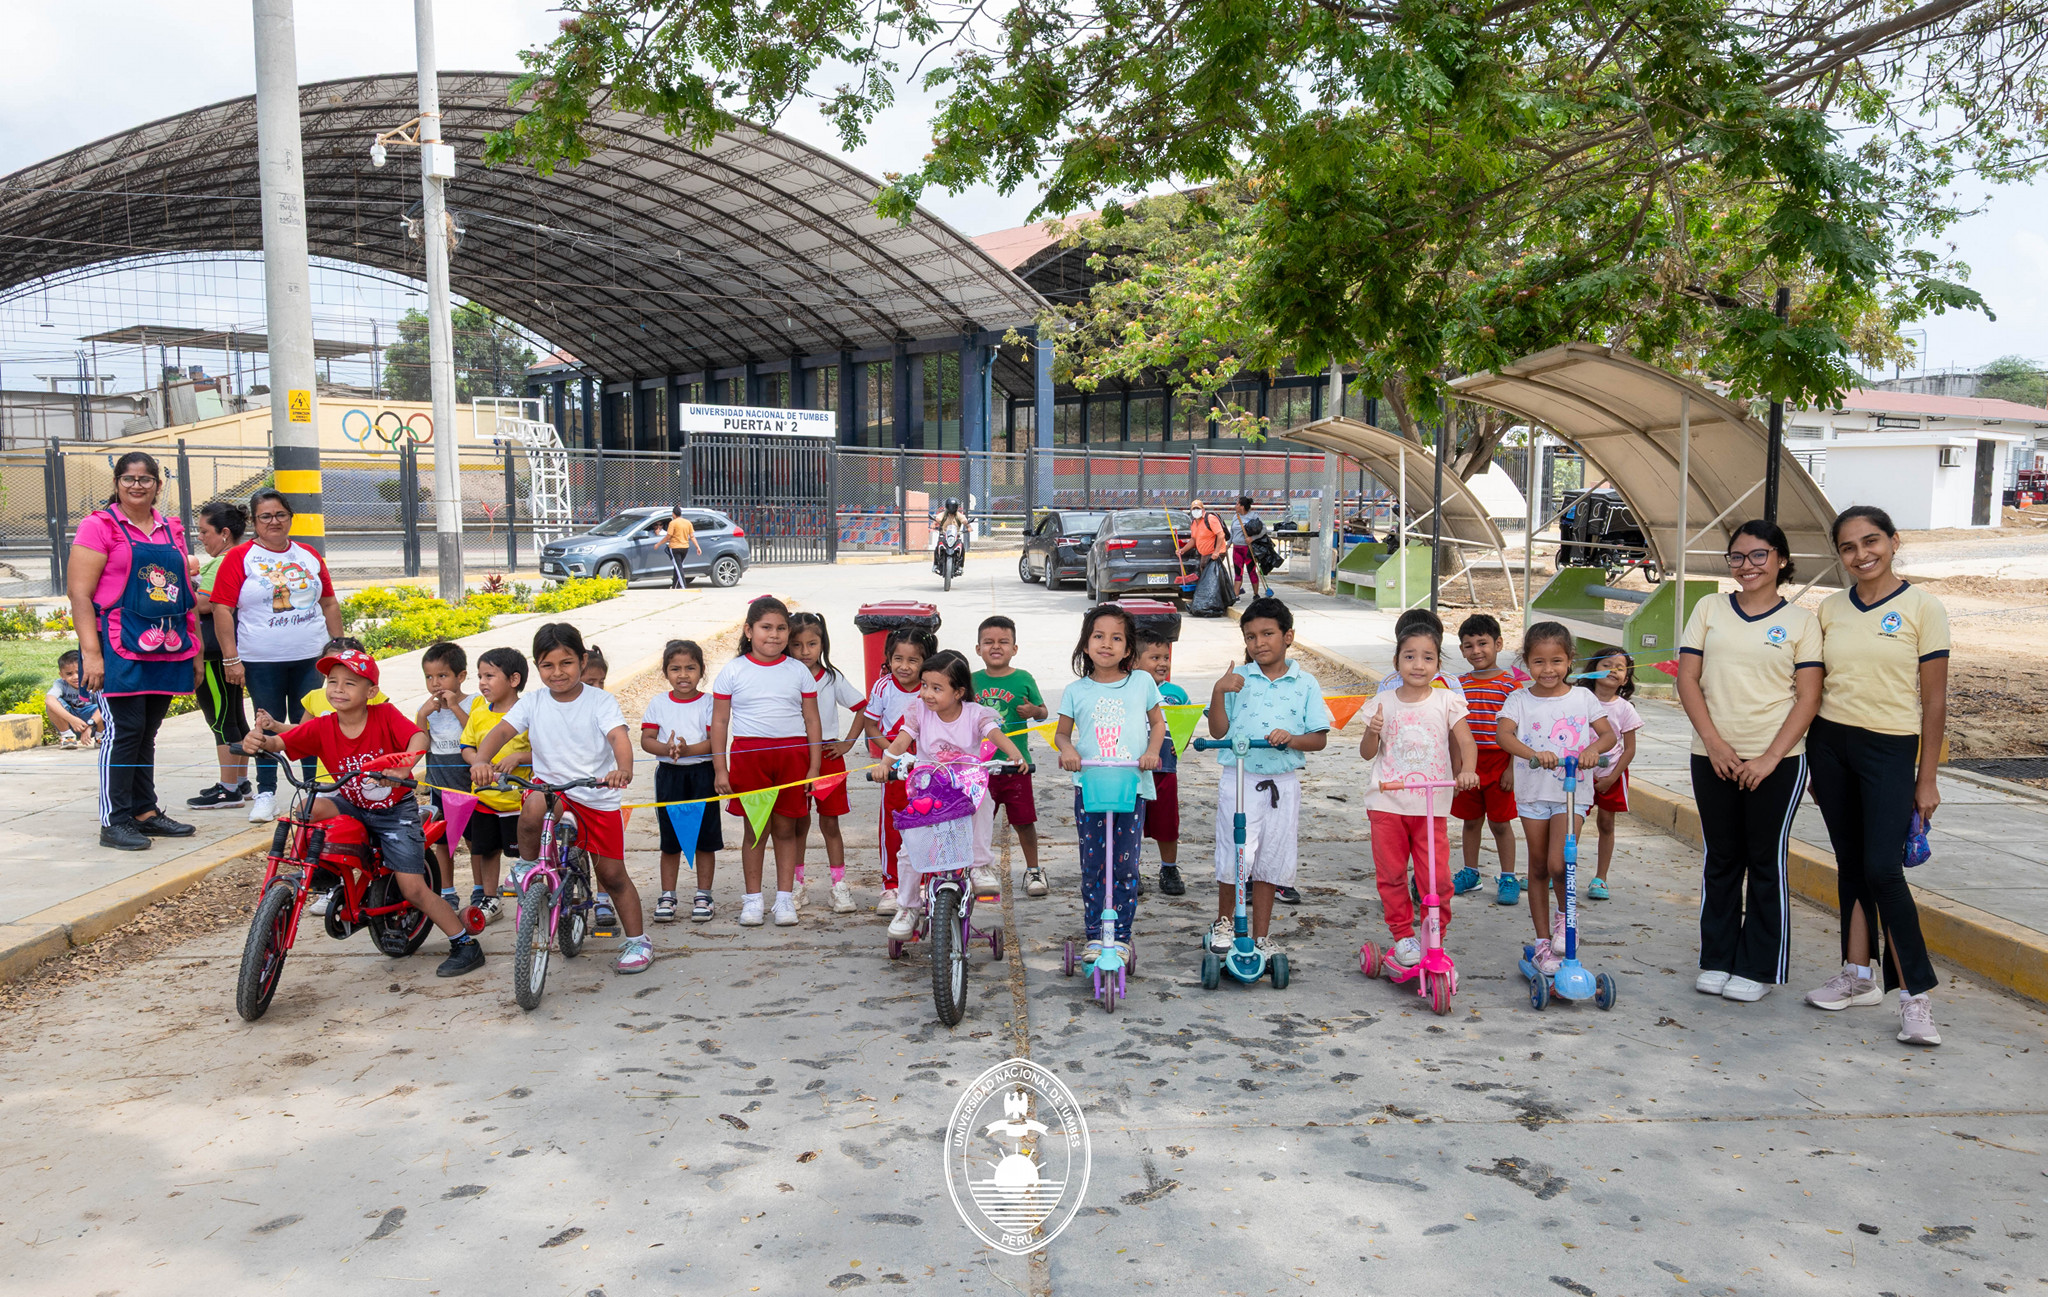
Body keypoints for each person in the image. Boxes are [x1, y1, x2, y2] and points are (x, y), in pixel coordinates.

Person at [1804, 506, 1949, 1046]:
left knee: (1884, 870)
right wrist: (1814, 762)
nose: (1861, 555)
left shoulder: (1923, 607)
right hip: (1830, 744)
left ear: (1892, 541)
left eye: (1871, 542)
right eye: (1848, 547)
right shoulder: (1829, 609)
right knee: (1850, 866)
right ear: (1838, 555)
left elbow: (1933, 702)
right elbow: (1813, 688)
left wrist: (1926, 777)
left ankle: (1915, 998)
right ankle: (1857, 975)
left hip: (1891, 748)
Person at [244, 647, 483, 977]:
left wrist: (404, 767)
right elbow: (279, 743)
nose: (338, 689)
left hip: (393, 811)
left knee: (414, 889)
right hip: (352, 803)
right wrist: (257, 740)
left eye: (350, 683)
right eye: (332, 681)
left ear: (370, 692)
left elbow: (417, 738)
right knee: (306, 808)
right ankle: (322, 873)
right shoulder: (324, 725)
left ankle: (464, 944)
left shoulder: (383, 716)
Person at [1675, 520, 1823, 1003]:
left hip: (1776, 762)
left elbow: (1807, 697)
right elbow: (1688, 680)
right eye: (1737, 557)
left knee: (1765, 862)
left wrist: (1769, 758)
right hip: (1712, 757)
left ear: (1780, 559)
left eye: (1759, 555)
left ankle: (1758, 966)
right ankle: (1717, 958)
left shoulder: (1803, 622)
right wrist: (1715, 744)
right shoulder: (1709, 608)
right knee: (1721, 859)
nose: (1747, 566)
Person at [474, 621, 652, 973]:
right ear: (537, 667)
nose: (557, 672)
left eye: (566, 663)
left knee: (613, 875)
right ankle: (528, 867)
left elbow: (618, 738)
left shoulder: (600, 701)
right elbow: (502, 731)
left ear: (582, 661)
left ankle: (637, 941)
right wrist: (481, 760)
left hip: (594, 793)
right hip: (552, 788)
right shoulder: (534, 702)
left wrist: (622, 769)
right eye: (547, 665)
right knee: (532, 808)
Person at [67, 450, 200, 852]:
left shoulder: (170, 528)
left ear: (159, 485)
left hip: (166, 640)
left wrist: (195, 650)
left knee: (147, 732)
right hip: (116, 644)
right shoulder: (99, 526)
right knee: (124, 732)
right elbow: (79, 594)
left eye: (145, 479)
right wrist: (92, 655)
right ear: (117, 484)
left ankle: (145, 812)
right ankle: (115, 820)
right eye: (129, 479)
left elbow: (185, 593)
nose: (137, 486)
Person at [1203, 596, 1333, 958]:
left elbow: (1319, 738)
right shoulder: (1237, 679)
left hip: (1283, 783)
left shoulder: (1305, 683)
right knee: (1234, 852)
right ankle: (1225, 922)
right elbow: (1217, 731)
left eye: (1267, 634)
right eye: (1250, 636)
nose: (1258, 643)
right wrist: (1218, 690)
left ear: (1288, 636)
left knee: (1270, 860)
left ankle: (1261, 935)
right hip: (1239, 778)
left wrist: (1291, 739)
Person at [873, 649, 1028, 939]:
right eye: (924, 686)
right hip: (929, 788)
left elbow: (995, 734)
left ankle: (980, 865)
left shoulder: (974, 714)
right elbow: (902, 740)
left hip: (965, 786)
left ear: (958, 692)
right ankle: (907, 907)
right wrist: (885, 765)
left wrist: (1016, 756)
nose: (927, 694)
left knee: (984, 803)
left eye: (936, 688)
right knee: (909, 851)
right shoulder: (919, 712)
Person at [210, 488, 342, 824]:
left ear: (290, 518)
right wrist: (231, 658)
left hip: (310, 657)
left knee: (310, 724)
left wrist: (339, 646)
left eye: (280, 514)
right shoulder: (239, 558)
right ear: (254, 522)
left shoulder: (309, 555)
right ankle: (266, 793)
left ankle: (315, 791)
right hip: (260, 659)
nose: (274, 521)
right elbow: (222, 609)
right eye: (265, 516)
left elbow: (328, 602)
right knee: (265, 725)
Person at [1496, 621, 1616, 977]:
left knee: (1559, 864)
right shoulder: (1519, 698)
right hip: (1533, 793)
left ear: (1570, 662)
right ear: (1526, 662)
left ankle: (1567, 921)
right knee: (1536, 867)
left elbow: (1608, 734)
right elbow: (1504, 734)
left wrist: (1593, 749)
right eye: (1539, 662)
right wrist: (1532, 752)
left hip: (1571, 793)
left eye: (1556, 661)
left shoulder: (1583, 697)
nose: (1548, 670)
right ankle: (1543, 942)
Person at [1362, 620, 1479, 969]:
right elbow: (1367, 752)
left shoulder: (1448, 701)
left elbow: (1466, 742)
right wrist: (1372, 731)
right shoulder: (1382, 702)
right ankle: (1402, 936)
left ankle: (1434, 933)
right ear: (1397, 661)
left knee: (1436, 878)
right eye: (1410, 656)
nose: (1418, 665)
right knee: (1392, 873)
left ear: (1438, 665)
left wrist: (1467, 770)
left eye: (1427, 658)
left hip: (1432, 805)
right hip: (1387, 802)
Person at [1057, 604, 1168, 967]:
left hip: (1130, 785)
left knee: (1124, 864)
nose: (1107, 644)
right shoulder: (1076, 690)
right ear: (1086, 645)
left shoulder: (1142, 682)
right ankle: (1095, 933)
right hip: (1090, 786)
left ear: (1128, 648)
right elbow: (1061, 734)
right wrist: (1069, 749)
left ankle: (1119, 937)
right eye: (1099, 636)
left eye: (1116, 638)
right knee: (1093, 865)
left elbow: (1158, 724)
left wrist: (1152, 752)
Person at [710, 596, 823, 928]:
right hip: (749, 759)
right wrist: (721, 768)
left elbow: (812, 721)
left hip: (793, 758)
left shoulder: (799, 673)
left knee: (786, 830)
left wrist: (814, 767)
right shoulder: (733, 671)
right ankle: (753, 900)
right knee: (755, 831)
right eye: (765, 628)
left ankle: (785, 899)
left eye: (781, 628)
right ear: (748, 630)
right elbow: (719, 723)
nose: (773, 635)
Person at [787, 612, 865, 913]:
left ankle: (838, 886)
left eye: (812, 643)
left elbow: (862, 707)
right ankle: (796, 884)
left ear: (823, 644)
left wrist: (847, 742)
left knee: (830, 822)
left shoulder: (832, 678)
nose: (805, 651)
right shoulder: (785, 677)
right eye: (797, 645)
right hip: (795, 757)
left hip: (830, 758)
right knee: (797, 824)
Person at [642, 639, 724, 923]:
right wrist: (668, 749)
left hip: (703, 774)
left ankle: (704, 894)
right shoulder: (658, 703)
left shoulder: (710, 702)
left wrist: (688, 750)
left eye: (691, 668)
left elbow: (716, 741)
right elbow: (646, 740)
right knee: (670, 839)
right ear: (665, 672)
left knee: (705, 838)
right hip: (669, 776)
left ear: (702, 671)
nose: (683, 674)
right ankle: (668, 894)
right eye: (675, 668)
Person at [1451, 613, 1527, 903]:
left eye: (1483, 643)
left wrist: (1512, 768)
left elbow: (1518, 733)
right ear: (1461, 650)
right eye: (1468, 646)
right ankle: (1471, 873)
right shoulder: (1457, 686)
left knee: (1500, 823)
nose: (1476, 651)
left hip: (1500, 763)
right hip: (1470, 764)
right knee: (1470, 821)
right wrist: (1459, 767)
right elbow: (1454, 730)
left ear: (1498, 644)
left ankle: (1508, 877)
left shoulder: (1513, 685)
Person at [973, 616, 1049, 898]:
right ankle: (978, 867)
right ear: (978, 648)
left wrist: (1034, 712)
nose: (996, 647)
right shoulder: (970, 681)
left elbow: (1043, 711)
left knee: (1024, 820)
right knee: (978, 821)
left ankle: (1033, 870)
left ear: (1014, 648)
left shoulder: (1024, 678)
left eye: (1003, 642)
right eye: (988, 642)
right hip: (981, 768)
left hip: (1017, 765)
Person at [186, 501, 252, 808]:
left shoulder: (221, 563)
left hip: (213, 653)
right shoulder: (241, 557)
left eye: (204, 531)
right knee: (235, 715)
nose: (201, 538)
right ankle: (239, 780)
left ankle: (229, 788)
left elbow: (203, 604)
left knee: (221, 718)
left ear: (224, 533)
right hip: (231, 648)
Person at [865, 625, 934, 914]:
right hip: (895, 770)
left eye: (913, 660)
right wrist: (895, 756)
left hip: (929, 771)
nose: (904, 667)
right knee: (894, 827)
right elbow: (870, 726)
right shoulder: (882, 687)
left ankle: (926, 884)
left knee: (929, 824)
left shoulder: (932, 687)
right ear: (888, 658)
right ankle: (891, 886)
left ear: (926, 661)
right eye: (897, 659)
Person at [460, 645, 530, 921]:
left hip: (519, 802)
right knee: (487, 851)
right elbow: (466, 746)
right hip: (485, 799)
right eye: (480, 676)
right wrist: (478, 760)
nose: (482, 683)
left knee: (528, 853)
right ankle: (491, 899)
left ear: (514, 680)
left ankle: (533, 896)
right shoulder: (478, 714)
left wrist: (519, 757)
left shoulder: (528, 713)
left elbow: (544, 752)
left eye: (490, 676)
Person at [414, 641, 473, 912]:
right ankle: (447, 890)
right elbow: (422, 744)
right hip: (439, 784)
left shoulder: (474, 702)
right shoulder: (428, 708)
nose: (435, 683)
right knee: (443, 841)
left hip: (469, 786)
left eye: (442, 676)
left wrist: (454, 707)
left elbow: (474, 733)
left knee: (476, 842)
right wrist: (421, 716)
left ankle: (481, 889)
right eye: (429, 677)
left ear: (460, 676)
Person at [1134, 629, 1188, 896]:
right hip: (1131, 772)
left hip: (1165, 769)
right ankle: (1131, 868)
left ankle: (1169, 868)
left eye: (1166, 657)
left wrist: (1180, 745)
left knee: (1167, 825)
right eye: (1154, 657)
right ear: (1134, 660)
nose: (1163, 663)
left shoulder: (1176, 694)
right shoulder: (1128, 689)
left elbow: (1185, 725)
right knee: (1130, 822)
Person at [1586, 646, 1642, 901]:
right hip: (1579, 775)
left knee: (1606, 824)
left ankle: (1601, 878)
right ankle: (1561, 871)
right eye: (1606, 665)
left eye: (1620, 668)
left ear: (1626, 678)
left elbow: (1629, 750)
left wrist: (1612, 778)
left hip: (1612, 775)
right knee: (1570, 825)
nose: (1613, 671)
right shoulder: (1580, 700)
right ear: (1593, 669)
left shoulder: (1625, 709)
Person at [46, 649, 104, 749]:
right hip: (70, 724)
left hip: (92, 722)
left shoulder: (94, 682)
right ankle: (67, 737)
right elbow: (49, 700)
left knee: (105, 704)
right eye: (69, 674)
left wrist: (90, 725)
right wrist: (72, 720)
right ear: (62, 675)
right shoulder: (60, 684)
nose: (75, 677)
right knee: (53, 703)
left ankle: (101, 736)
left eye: (79, 672)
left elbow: (105, 705)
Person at [1229, 496, 1261, 598]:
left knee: (1252, 571)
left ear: (1242, 506)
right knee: (1238, 572)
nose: (1236, 506)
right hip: (1237, 549)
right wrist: (1228, 543)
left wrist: (1253, 538)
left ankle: (1256, 594)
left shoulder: (1254, 516)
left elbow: (1263, 530)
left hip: (1248, 549)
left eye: (1237, 504)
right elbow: (1232, 532)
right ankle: (1236, 595)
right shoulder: (1236, 517)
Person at [664, 506, 700, 589]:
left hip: (675, 547)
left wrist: (659, 543)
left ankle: (683, 586)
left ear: (673, 514)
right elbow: (692, 536)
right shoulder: (688, 522)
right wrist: (698, 547)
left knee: (678, 567)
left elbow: (668, 536)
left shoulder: (673, 523)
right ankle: (675, 586)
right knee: (678, 566)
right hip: (685, 548)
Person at [932, 497, 967, 574]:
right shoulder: (943, 515)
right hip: (944, 535)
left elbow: (964, 520)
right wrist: (936, 523)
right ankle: (935, 564)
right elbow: (937, 518)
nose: (952, 508)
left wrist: (967, 525)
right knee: (938, 546)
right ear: (947, 507)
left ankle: (961, 566)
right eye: (950, 506)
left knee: (962, 547)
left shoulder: (959, 515)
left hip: (956, 535)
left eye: (953, 507)